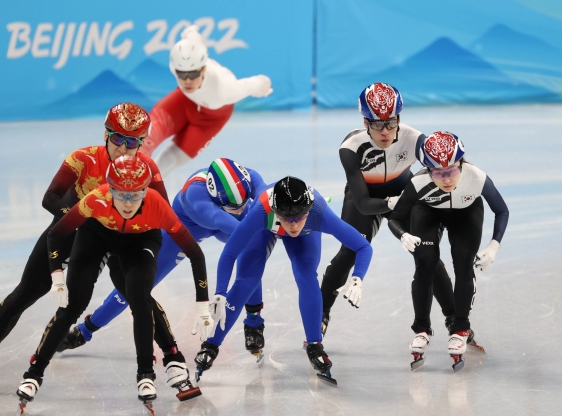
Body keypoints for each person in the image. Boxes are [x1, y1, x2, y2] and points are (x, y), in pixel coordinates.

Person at [0, 102, 171, 391]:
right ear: (105, 135)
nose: (124, 148)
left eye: (133, 141)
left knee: (137, 295)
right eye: (118, 139)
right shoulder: (82, 159)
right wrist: (78, 221)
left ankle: (172, 358)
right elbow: (51, 197)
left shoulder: (147, 168)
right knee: (29, 290)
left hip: (120, 237)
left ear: (141, 142)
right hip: (75, 230)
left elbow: (163, 212)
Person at [15, 155, 207, 414]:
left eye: (135, 194)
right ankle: (34, 372)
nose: (128, 203)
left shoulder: (157, 205)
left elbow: (195, 254)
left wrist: (202, 304)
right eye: (120, 194)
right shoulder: (95, 199)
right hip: (97, 236)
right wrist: (57, 277)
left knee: (139, 297)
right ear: (109, 189)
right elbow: (56, 233)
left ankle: (146, 374)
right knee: (73, 305)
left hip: (139, 241)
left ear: (145, 190)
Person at [58, 157, 270, 358]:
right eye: (235, 207)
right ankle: (85, 330)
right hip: (186, 229)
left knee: (251, 255)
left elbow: (265, 196)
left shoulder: (248, 179)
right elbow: (219, 218)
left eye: (244, 203)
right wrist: (259, 226)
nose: (241, 209)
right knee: (133, 287)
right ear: (215, 195)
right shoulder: (195, 193)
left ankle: (254, 323)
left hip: (222, 222)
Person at [194, 176, 373, 384]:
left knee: (306, 276)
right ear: (276, 211)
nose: (294, 225)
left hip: (307, 233)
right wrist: (219, 293)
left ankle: (315, 345)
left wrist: (358, 277)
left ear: (308, 211)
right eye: (287, 219)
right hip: (265, 228)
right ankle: (216, 343)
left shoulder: (318, 213)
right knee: (247, 279)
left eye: (299, 217)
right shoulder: (261, 210)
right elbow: (229, 254)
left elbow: (363, 246)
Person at [320, 83, 456, 337]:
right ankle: (321, 313)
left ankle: (454, 319)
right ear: (365, 121)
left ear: (399, 118)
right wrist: (392, 203)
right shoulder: (351, 147)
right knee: (349, 252)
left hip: (404, 190)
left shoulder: (416, 140)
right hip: (366, 196)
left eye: (391, 123)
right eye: (377, 124)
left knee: (427, 253)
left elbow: (443, 171)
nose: (385, 131)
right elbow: (361, 203)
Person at [387, 131, 509, 371]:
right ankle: (422, 328)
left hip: (466, 212)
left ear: (461, 164)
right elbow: (395, 218)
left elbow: (502, 211)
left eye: (452, 170)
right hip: (428, 210)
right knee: (425, 263)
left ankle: (460, 327)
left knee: (463, 264)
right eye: (438, 173)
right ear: (428, 170)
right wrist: (403, 234)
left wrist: (494, 245)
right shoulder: (419, 182)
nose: (446, 179)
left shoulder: (477, 177)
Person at [139, 25, 273, 176]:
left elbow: (254, 84)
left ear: (203, 68)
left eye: (193, 74)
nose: (187, 81)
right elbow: (192, 38)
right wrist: (191, 30)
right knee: (144, 139)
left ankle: (146, 189)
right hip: (184, 101)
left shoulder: (225, 90)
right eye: (181, 75)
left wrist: (263, 85)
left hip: (210, 119)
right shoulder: (184, 57)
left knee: (170, 161)